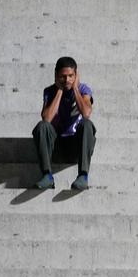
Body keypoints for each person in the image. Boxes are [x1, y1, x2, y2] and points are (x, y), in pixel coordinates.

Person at [32, 56, 95, 190]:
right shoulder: (50, 91)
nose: (67, 80)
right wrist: (60, 90)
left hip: (76, 146)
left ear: (76, 75)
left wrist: (75, 89)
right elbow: (47, 119)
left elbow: (86, 113)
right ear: (56, 76)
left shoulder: (84, 90)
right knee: (42, 126)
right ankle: (47, 176)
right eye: (63, 76)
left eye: (71, 76)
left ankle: (83, 176)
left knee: (87, 124)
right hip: (56, 146)